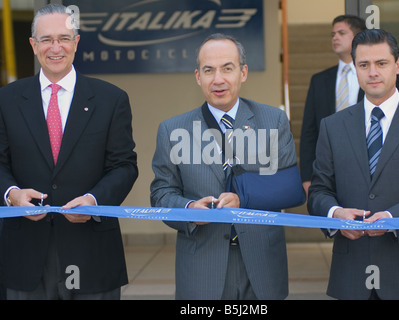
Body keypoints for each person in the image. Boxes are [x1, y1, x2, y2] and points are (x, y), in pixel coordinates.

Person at [0, 4, 138, 299]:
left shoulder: (111, 99)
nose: (55, 47)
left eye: (63, 38)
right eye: (46, 39)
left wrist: (94, 200)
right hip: (24, 253)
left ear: (76, 42)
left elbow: (124, 165)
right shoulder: (6, 99)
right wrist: (12, 193)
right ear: (33, 45)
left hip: (91, 251)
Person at [150, 33, 301, 300]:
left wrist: (243, 197)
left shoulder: (273, 120)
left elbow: (290, 189)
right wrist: (188, 210)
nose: (218, 79)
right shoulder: (172, 129)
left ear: (243, 72)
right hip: (202, 265)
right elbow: (161, 193)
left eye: (227, 68)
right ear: (198, 77)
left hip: (263, 263)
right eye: (209, 70)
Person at [307, 28, 399, 300]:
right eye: (364, 65)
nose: (372, 72)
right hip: (351, 276)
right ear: (355, 68)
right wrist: (335, 213)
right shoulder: (332, 126)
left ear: (397, 65)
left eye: (381, 63)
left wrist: (393, 218)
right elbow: (318, 192)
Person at [300, 15, 399, 196]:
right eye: (332, 34)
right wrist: (307, 177)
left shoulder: (386, 77)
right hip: (333, 164)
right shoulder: (319, 80)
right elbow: (309, 131)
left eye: (341, 33)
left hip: (376, 163)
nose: (335, 38)